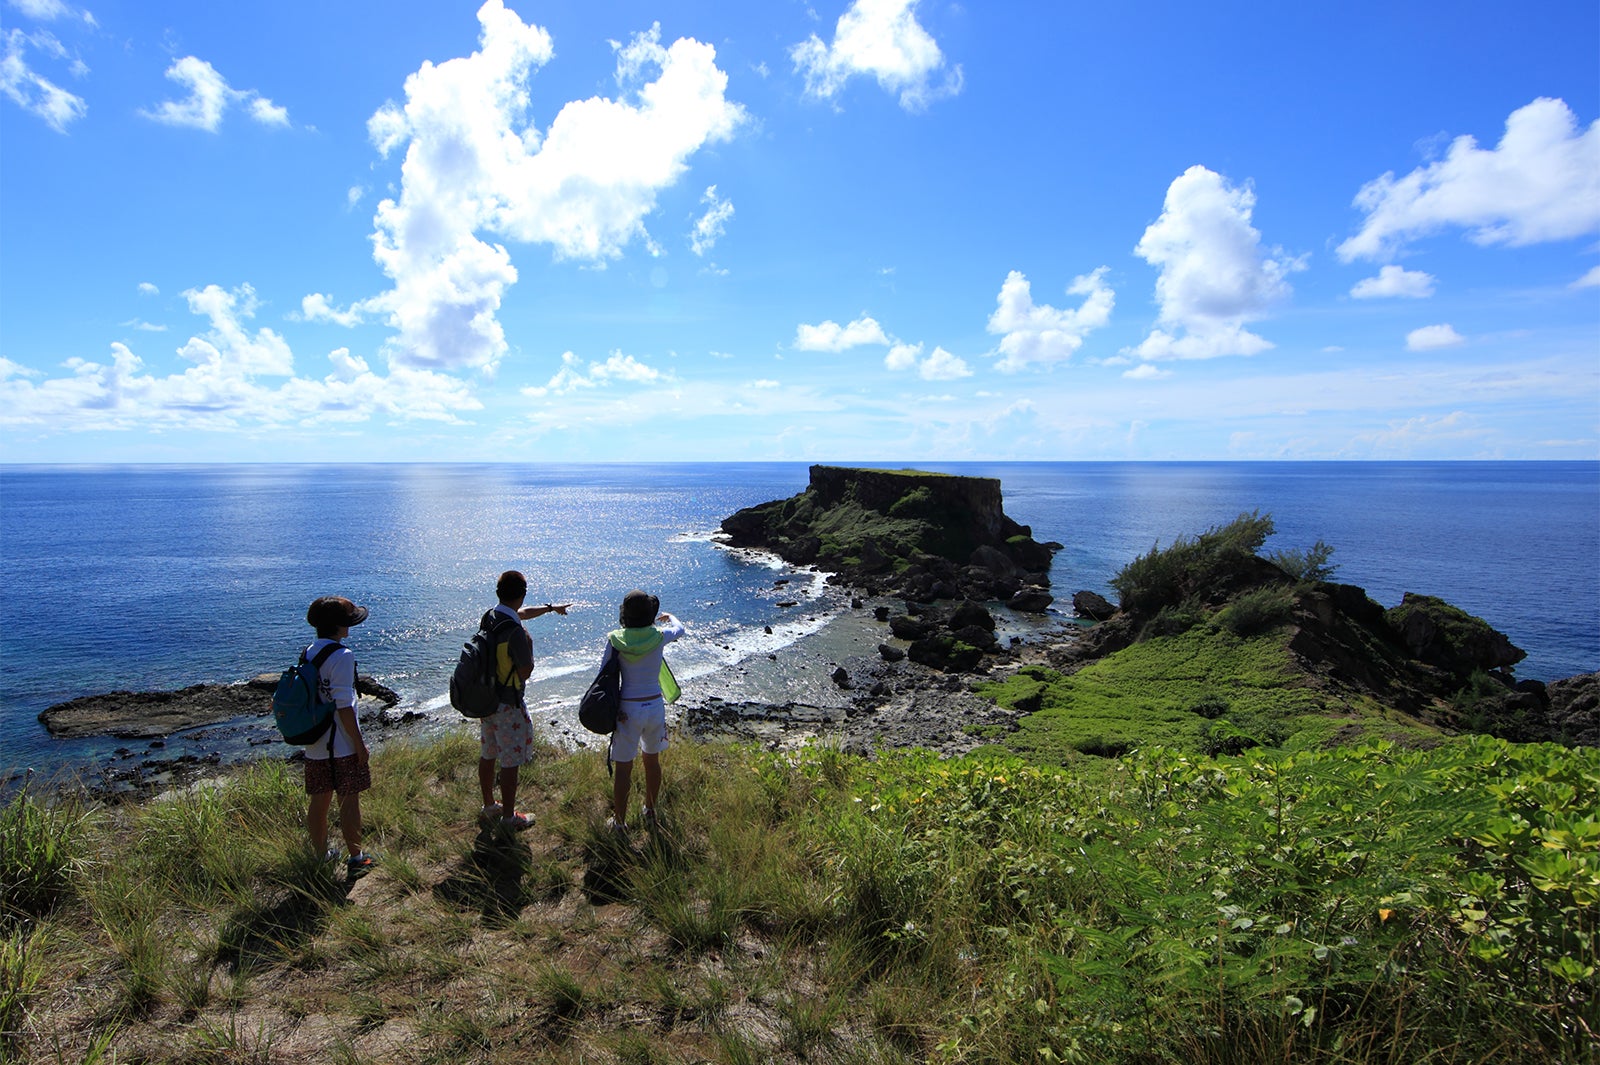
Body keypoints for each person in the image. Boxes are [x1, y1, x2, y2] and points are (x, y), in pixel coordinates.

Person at [477, 570, 571, 830]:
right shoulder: (517, 633)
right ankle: (509, 818)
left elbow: (522, 613)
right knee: (510, 761)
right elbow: (525, 671)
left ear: (498, 593)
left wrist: (551, 608)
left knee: (488, 754)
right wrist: (528, 643)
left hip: (487, 699)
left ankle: (489, 806)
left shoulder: (491, 616)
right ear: (522, 594)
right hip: (509, 703)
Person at [302, 595, 376, 875]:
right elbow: (344, 706)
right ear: (339, 626)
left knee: (319, 801)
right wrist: (359, 745)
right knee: (349, 800)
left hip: (315, 743)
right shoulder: (342, 656)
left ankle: (321, 856)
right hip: (341, 744)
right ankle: (357, 858)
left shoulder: (309, 651)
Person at [604, 590, 685, 833]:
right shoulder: (659, 636)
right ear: (650, 614)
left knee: (623, 768)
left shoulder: (615, 639)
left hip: (627, 710)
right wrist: (670, 616)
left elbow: (604, 675)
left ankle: (619, 822)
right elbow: (681, 629)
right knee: (652, 761)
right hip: (654, 707)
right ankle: (650, 810)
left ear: (625, 615)